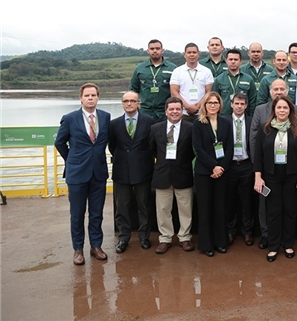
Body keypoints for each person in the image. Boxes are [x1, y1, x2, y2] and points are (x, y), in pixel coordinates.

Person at [55, 83, 111, 266]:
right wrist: (72, 160)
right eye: (87, 95)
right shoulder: (70, 118)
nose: (90, 98)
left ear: (98, 97)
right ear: (81, 98)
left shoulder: (105, 116)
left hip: (98, 173)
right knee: (77, 214)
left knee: (96, 213)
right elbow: (60, 142)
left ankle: (96, 246)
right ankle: (77, 249)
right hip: (77, 174)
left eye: (93, 95)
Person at [253, 96, 297, 261]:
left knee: (290, 211)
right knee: (273, 212)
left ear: (290, 110)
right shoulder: (265, 129)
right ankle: (273, 246)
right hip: (271, 177)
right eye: (279, 108)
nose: (282, 110)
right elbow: (258, 155)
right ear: (274, 110)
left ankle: (288, 244)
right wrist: (258, 177)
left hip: (292, 176)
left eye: (285, 108)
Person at [108, 91, 154, 253]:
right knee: (123, 206)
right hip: (121, 170)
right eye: (126, 101)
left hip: (143, 169)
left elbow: (151, 145)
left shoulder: (149, 121)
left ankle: (144, 236)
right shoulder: (113, 124)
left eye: (132, 101)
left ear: (138, 103)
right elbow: (112, 147)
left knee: (144, 204)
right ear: (122, 103)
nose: (129, 103)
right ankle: (124, 237)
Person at [149, 97, 195, 254]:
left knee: (185, 209)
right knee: (163, 209)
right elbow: (152, 150)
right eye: (171, 109)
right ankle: (165, 238)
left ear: (182, 111)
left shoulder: (191, 128)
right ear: (166, 111)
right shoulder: (155, 128)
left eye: (177, 109)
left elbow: (192, 152)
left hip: (183, 173)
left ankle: (184, 237)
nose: (174, 112)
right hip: (162, 175)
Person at [193, 91, 233, 257]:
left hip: (221, 172)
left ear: (220, 105)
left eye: (215, 103)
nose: (213, 106)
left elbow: (230, 147)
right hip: (204, 173)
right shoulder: (198, 124)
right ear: (205, 105)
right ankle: (206, 244)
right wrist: (213, 167)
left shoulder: (225, 123)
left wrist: (221, 167)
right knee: (205, 208)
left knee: (220, 208)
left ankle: (220, 242)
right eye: (210, 103)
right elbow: (198, 149)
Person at [225, 93, 255, 247]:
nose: (239, 106)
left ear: (246, 106)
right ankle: (230, 230)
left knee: (246, 200)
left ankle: (247, 231)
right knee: (229, 200)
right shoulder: (224, 122)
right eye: (236, 103)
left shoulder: (251, 122)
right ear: (231, 104)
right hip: (229, 166)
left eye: (242, 104)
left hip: (246, 165)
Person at [129, 39, 176, 123]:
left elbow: (177, 90)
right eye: (152, 49)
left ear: (162, 50)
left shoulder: (172, 68)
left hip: (165, 112)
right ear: (148, 51)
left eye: (157, 48)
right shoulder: (140, 68)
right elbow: (133, 90)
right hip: (145, 111)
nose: (155, 51)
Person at [170, 43, 215, 121]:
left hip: (202, 112)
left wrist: (197, 107)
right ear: (184, 54)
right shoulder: (177, 71)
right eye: (189, 52)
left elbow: (209, 92)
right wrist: (187, 106)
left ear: (198, 54)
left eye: (194, 52)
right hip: (183, 112)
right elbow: (174, 92)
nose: (192, 55)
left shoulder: (206, 71)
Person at [212, 48, 257, 117]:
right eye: (230, 59)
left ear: (240, 61)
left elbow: (252, 101)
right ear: (226, 61)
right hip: (223, 117)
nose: (233, 62)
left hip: (243, 117)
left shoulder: (248, 79)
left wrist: (251, 118)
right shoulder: (219, 79)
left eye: (236, 59)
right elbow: (214, 99)